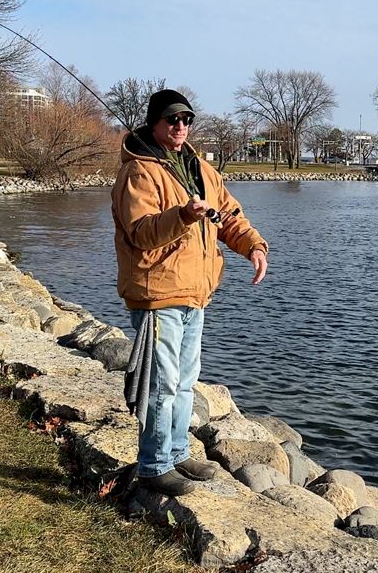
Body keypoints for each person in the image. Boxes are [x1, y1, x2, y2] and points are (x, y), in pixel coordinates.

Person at [112, 88, 269, 496]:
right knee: (161, 384)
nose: (180, 126)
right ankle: (153, 465)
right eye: (171, 120)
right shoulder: (139, 173)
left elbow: (229, 215)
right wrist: (182, 215)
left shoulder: (201, 168)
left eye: (186, 119)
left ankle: (177, 453)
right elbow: (142, 233)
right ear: (154, 123)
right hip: (157, 293)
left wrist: (253, 245)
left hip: (195, 293)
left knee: (184, 382)